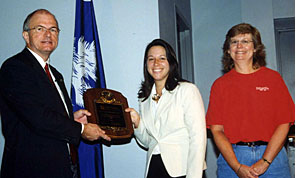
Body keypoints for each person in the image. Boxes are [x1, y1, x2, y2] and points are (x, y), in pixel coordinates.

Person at [0, 9, 111, 178]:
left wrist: (71, 118)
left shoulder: (54, 74)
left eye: (53, 29)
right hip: (31, 169)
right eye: (39, 28)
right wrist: (81, 129)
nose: (47, 34)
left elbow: (47, 115)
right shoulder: (15, 68)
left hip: (64, 166)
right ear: (26, 35)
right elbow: (38, 117)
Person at [206, 23, 294, 178]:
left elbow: (284, 123)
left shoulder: (273, 79)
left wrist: (265, 161)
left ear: (255, 48)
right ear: (228, 49)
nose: (239, 46)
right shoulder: (220, 85)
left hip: (273, 159)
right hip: (232, 160)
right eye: (234, 42)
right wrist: (237, 167)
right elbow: (217, 130)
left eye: (245, 41)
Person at [126, 39, 206, 178]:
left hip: (184, 169)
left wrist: (194, 176)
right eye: (151, 59)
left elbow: (198, 137)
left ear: (171, 63)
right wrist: (137, 123)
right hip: (154, 167)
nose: (156, 63)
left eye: (162, 58)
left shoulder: (187, 90)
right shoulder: (144, 98)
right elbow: (149, 141)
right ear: (146, 65)